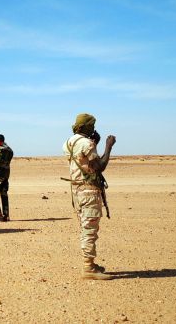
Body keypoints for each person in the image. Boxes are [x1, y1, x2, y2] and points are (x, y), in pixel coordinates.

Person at [63, 113, 116, 280]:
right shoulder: (87, 143)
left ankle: (90, 264)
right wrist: (108, 147)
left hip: (77, 191)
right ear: (87, 127)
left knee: (85, 226)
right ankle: (88, 267)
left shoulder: (69, 142)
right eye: (92, 126)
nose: (94, 129)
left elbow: (82, 160)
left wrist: (95, 143)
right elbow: (99, 166)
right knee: (90, 229)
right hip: (89, 191)